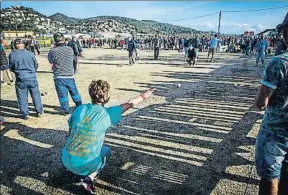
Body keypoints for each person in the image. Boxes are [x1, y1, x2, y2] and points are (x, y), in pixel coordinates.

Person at [61, 80, 154, 194]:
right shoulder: (108, 114)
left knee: (75, 152)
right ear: (106, 97)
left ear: (91, 94)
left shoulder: (79, 109)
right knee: (106, 151)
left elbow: (70, 131)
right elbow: (129, 104)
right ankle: (89, 177)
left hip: (65, 158)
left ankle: (72, 169)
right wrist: (144, 96)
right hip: (86, 165)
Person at [254, 12, 288, 195]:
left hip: (276, 133)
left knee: (270, 177)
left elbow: (261, 103)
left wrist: (260, 93)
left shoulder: (279, 63)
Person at [8, 39, 43, 119]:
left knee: (22, 96)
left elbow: (11, 67)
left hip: (20, 78)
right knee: (36, 95)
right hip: (32, 77)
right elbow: (35, 65)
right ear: (23, 44)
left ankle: (25, 113)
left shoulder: (12, 55)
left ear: (15, 45)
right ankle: (39, 111)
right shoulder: (30, 53)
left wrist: (17, 72)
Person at [48, 32, 82, 115]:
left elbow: (50, 60)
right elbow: (74, 59)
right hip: (69, 74)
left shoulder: (53, 51)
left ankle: (65, 109)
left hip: (59, 75)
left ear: (54, 41)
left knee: (62, 94)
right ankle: (79, 105)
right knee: (74, 91)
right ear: (63, 39)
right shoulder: (69, 49)